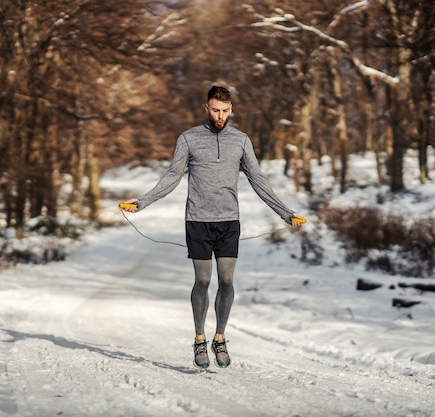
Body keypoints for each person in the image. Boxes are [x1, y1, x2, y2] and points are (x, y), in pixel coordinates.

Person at [120, 85, 304, 369]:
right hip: (198, 221)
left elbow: (258, 179)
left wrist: (285, 212)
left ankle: (220, 337)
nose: (220, 116)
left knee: (227, 281)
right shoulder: (188, 138)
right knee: (203, 281)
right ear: (206, 108)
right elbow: (172, 176)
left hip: (229, 221)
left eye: (225, 111)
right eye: (216, 110)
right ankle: (199, 338)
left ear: (232, 110)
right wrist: (142, 202)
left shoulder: (241, 140)